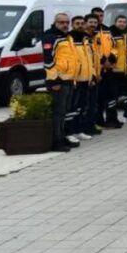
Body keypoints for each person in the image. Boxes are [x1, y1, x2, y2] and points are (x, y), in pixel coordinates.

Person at [43, 13, 80, 152]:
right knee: (58, 113)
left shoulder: (67, 37)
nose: (65, 25)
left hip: (68, 79)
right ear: (55, 22)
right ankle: (56, 141)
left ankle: (62, 136)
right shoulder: (50, 37)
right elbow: (48, 60)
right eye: (61, 22)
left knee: (64, 111)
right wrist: (54, 80)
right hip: (58, 81)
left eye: (67, 22)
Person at [67, 16, 94, 142]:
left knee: (82, 107)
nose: (80, 25)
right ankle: (69, 132)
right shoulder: (69, 39)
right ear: (72, 25)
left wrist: (92, 76)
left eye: (82, 23)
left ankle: (79, 130)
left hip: (86, 79)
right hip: (75, 79)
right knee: (72, 108)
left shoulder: (86, 39)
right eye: (77, 23)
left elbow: (90, 59)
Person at [92, 7, 120, 129]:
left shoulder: (107, 30)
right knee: (99, 97)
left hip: (109, 68)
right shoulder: (91, 32)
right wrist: (103, 60)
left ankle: (112, 119)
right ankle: (98, 121)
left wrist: (111, 59)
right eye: (96, 15)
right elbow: (94, 49)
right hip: (98, 69)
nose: (99, 18)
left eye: (101, 15)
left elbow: (115, 46)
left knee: (111, 95)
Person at [107, 14, 127, 128]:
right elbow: (111, 50)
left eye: (124, 22)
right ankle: (110, 120)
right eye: (120, 21)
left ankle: (114, 118)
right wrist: (112, 62)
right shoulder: (111, 33)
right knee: (112, 96)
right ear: (115, 22)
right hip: (113, 70)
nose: (122, 24)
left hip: (121, 70)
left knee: (116, 97)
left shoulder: (123, 34)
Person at [84, 14, 104, 133]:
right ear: (85, 23)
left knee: (93, 103)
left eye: (95, 23)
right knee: (85, 104)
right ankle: (84, 127)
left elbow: (97, 57)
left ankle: (91, 125)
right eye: (90, 22)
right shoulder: (83, 38)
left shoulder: (96, 38)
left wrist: (98, 73)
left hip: (96, 75)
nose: (93, 25)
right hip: (86, 75)